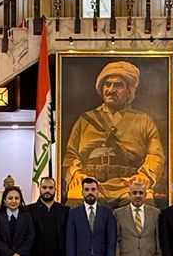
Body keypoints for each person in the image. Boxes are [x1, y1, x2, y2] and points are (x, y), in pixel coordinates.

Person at [61, 61, 165, 204]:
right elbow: (71, 154)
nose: (110, 89)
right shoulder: (85, 120)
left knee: (145, 199)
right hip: (91, 184)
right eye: (107, 84)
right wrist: (76, 173)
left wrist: (144, 175)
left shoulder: (143, 120)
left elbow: (155, 154)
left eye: (118, 85)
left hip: (128, 184)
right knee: (75, 198)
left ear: (129, 90)